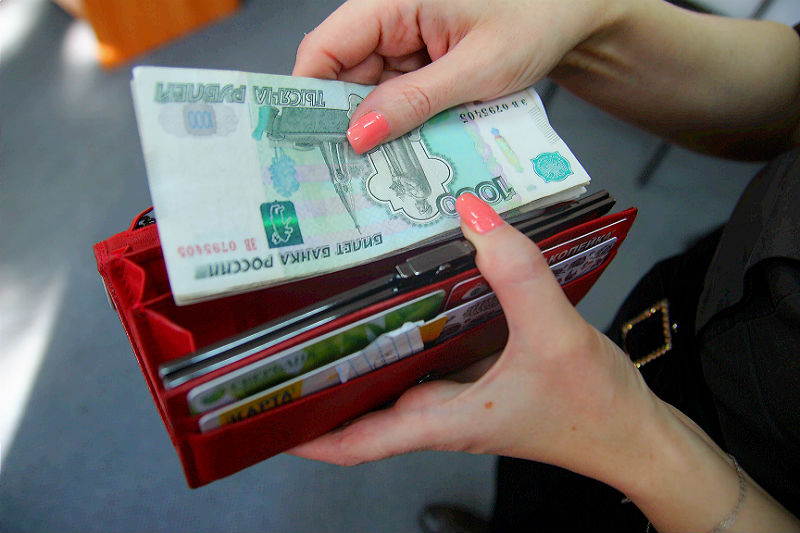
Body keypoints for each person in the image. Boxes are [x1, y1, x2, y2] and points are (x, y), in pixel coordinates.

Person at [288, 0, 800, 530]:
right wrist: (582, 22)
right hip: (685, 307)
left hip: (729, 477)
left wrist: (633, 439)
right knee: (531, 488)